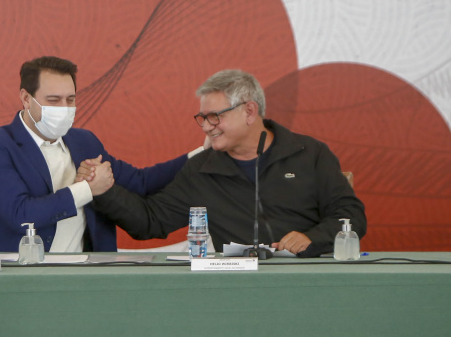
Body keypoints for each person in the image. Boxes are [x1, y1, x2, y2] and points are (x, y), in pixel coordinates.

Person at [86, 69, 366, 258]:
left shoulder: (310, 153)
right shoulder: (201, 169)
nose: (207, 127)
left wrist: (311, 238)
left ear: (249, 111)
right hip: (237, 287)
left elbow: (351, 215)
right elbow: (150, 222)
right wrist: (103, 190)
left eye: (215, 117)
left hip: (309, 277)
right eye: (202, 118)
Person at [0, 56, 197, 253]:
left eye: (71, 99)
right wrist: (86, 189)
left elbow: (141, 182)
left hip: (88, 274)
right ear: (26, 98)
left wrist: (201, 153)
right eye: (53, 100)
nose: (64, 108)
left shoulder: (84, 141)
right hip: (20, 276)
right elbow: (22, 215)